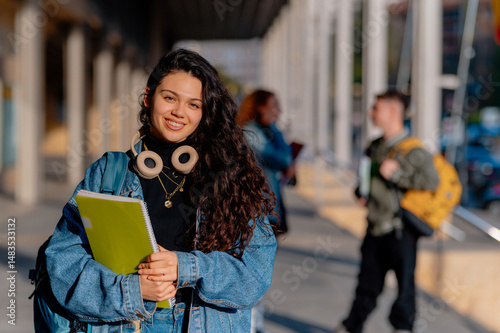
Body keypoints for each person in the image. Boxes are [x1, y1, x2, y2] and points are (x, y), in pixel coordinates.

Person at [45, 49, 278, 333]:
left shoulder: (230, 176)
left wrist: (186, 267)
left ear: (205, 112)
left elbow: (255, 275)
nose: (179, 112)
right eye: (169, 98)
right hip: (125, 323)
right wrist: (132, 290)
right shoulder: (108, 173)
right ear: (148, 97)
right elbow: (62, 262)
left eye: (194, 104)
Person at [335, 90, 439, 333]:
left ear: (393, 111)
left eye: (376, 108)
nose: (371, 113)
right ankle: (352, 325)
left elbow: (431, 182)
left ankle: (402, 327)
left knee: (405, 287)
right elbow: (365, 182)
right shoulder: (375, 146)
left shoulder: (414, 151)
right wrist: (362, 193)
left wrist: (398, 174)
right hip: (374, 226)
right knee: (367, 283)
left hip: (400, 229)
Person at [237, 89, 293, 234]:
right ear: (261, 108)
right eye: (274, 106)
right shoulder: (251, 133)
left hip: (267, 205)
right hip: (258, 210)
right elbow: (284, 159)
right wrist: (275, 127)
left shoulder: (264, 131)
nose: (278, 111)